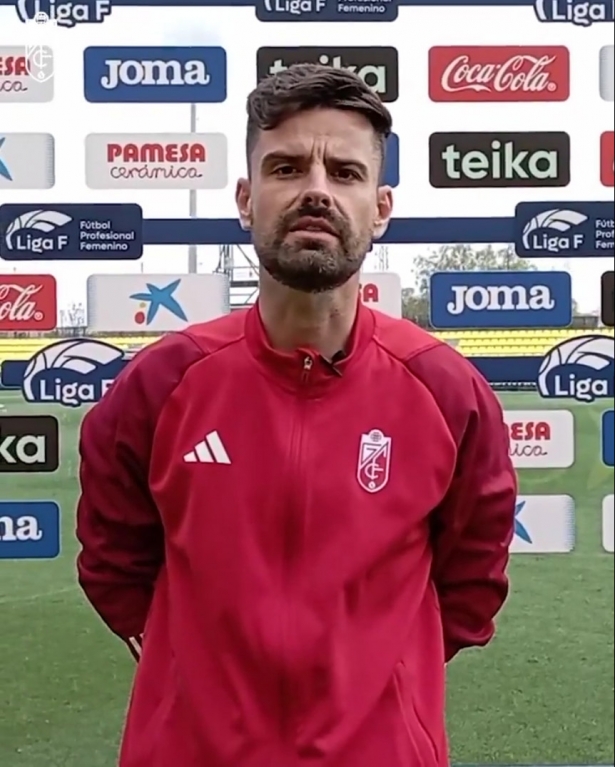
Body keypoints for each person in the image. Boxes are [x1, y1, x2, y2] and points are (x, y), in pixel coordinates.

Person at [76, 64, 517, 767]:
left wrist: (384, 685)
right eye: (286, 167)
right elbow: (113, 564)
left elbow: (469, 587)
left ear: (380, 208)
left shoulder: (445, 390)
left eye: (343, 172)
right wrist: (192, 683)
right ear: (246, 199)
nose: (315, 188)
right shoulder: (160, 384)